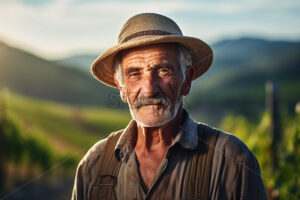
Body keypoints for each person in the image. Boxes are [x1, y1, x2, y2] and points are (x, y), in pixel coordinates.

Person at [72, 13, 267, 200]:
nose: (149, 89)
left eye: (163, 70)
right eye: (134, 74)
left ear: (187, 80)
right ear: (121, 88)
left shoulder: (233, 161)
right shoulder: (93, 165)